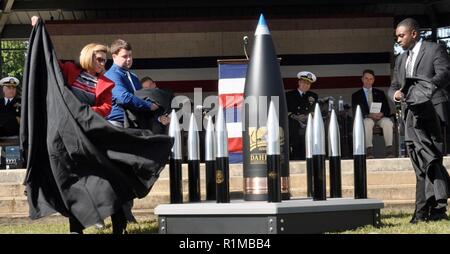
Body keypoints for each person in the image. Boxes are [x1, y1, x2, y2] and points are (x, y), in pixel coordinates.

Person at [389, 18, 450, 223]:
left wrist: (424, 90)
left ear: (413, 33)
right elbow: (394, 85)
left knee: (432, 161)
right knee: (419, 166)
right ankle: (423, 212)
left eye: (401, 35)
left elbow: (444, 74)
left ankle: (437, 210)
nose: (398, 40)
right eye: (397, 36)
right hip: (411, 118)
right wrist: (395, 94)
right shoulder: (400, 59)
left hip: (432, 112)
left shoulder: (435, 50)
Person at [105, 39, 159, 224]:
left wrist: (157, 113)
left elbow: (142, 96)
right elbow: (123, 97)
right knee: (121, 172)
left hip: (132, 126)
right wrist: (148, 106)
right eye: (124, 56)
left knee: (130, 172)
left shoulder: (133, 77)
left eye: (130, 55)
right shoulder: (112, 75)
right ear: (114, 57)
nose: (128, 59)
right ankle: (120, 214)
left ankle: (125, 212)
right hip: (117, 125)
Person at [351, 69, 394, 159]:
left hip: (380, 118)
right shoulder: (356, 95)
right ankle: (369, 150)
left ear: (373, 80)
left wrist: (381, 114)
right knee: (367, 123)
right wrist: (369, 115)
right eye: (366, 78)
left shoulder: (380, 93)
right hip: (367, 117)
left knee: (388, 122)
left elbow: (387, 109)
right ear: (362, 79)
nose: (368, 81)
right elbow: (356, 111)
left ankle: (389, 149)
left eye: (371, 79)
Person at [286, 71, 318, 160]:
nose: (306, 85)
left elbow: (314, 111)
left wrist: (308, 116)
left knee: (307, 151)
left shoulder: (313, 96)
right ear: (299, 82)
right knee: (295, 153)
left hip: (307, 128)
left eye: (308, 84)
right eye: (304, 82)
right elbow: (284, 111)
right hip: (293, 128)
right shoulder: (288, 95)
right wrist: (295, 116)